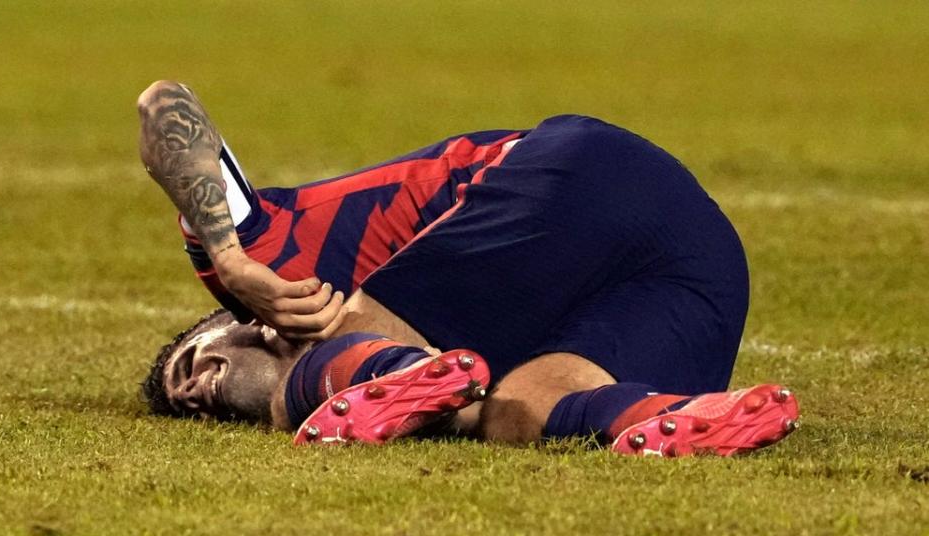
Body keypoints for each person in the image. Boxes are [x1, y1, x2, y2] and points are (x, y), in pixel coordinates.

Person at [137, 81, 800, 456]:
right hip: (701, 264)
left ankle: (376, 373)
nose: (201, 385)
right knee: (516, 414)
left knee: (306, 384)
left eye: (189, 362)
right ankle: (696, 418)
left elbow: (162, 104)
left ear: (228, 322)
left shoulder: (260, 256)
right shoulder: (469, 359)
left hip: (571, 176)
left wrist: (228, 256)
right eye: (199, 402)